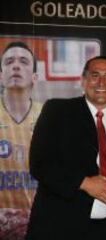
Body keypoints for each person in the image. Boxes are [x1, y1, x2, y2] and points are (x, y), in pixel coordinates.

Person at [25, 56, 106, 240]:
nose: (101, 82)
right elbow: (40, 164)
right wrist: (85, 183)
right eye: (95, 75)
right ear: (83, 81)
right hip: (59, 226)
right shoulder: (57, 111)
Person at [0, 41, 42, 239]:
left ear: (34, 77)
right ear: (1, 75)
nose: (15, 66)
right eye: (9, 62)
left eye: (23, 61)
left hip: (37, 223)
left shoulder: (47, 115)